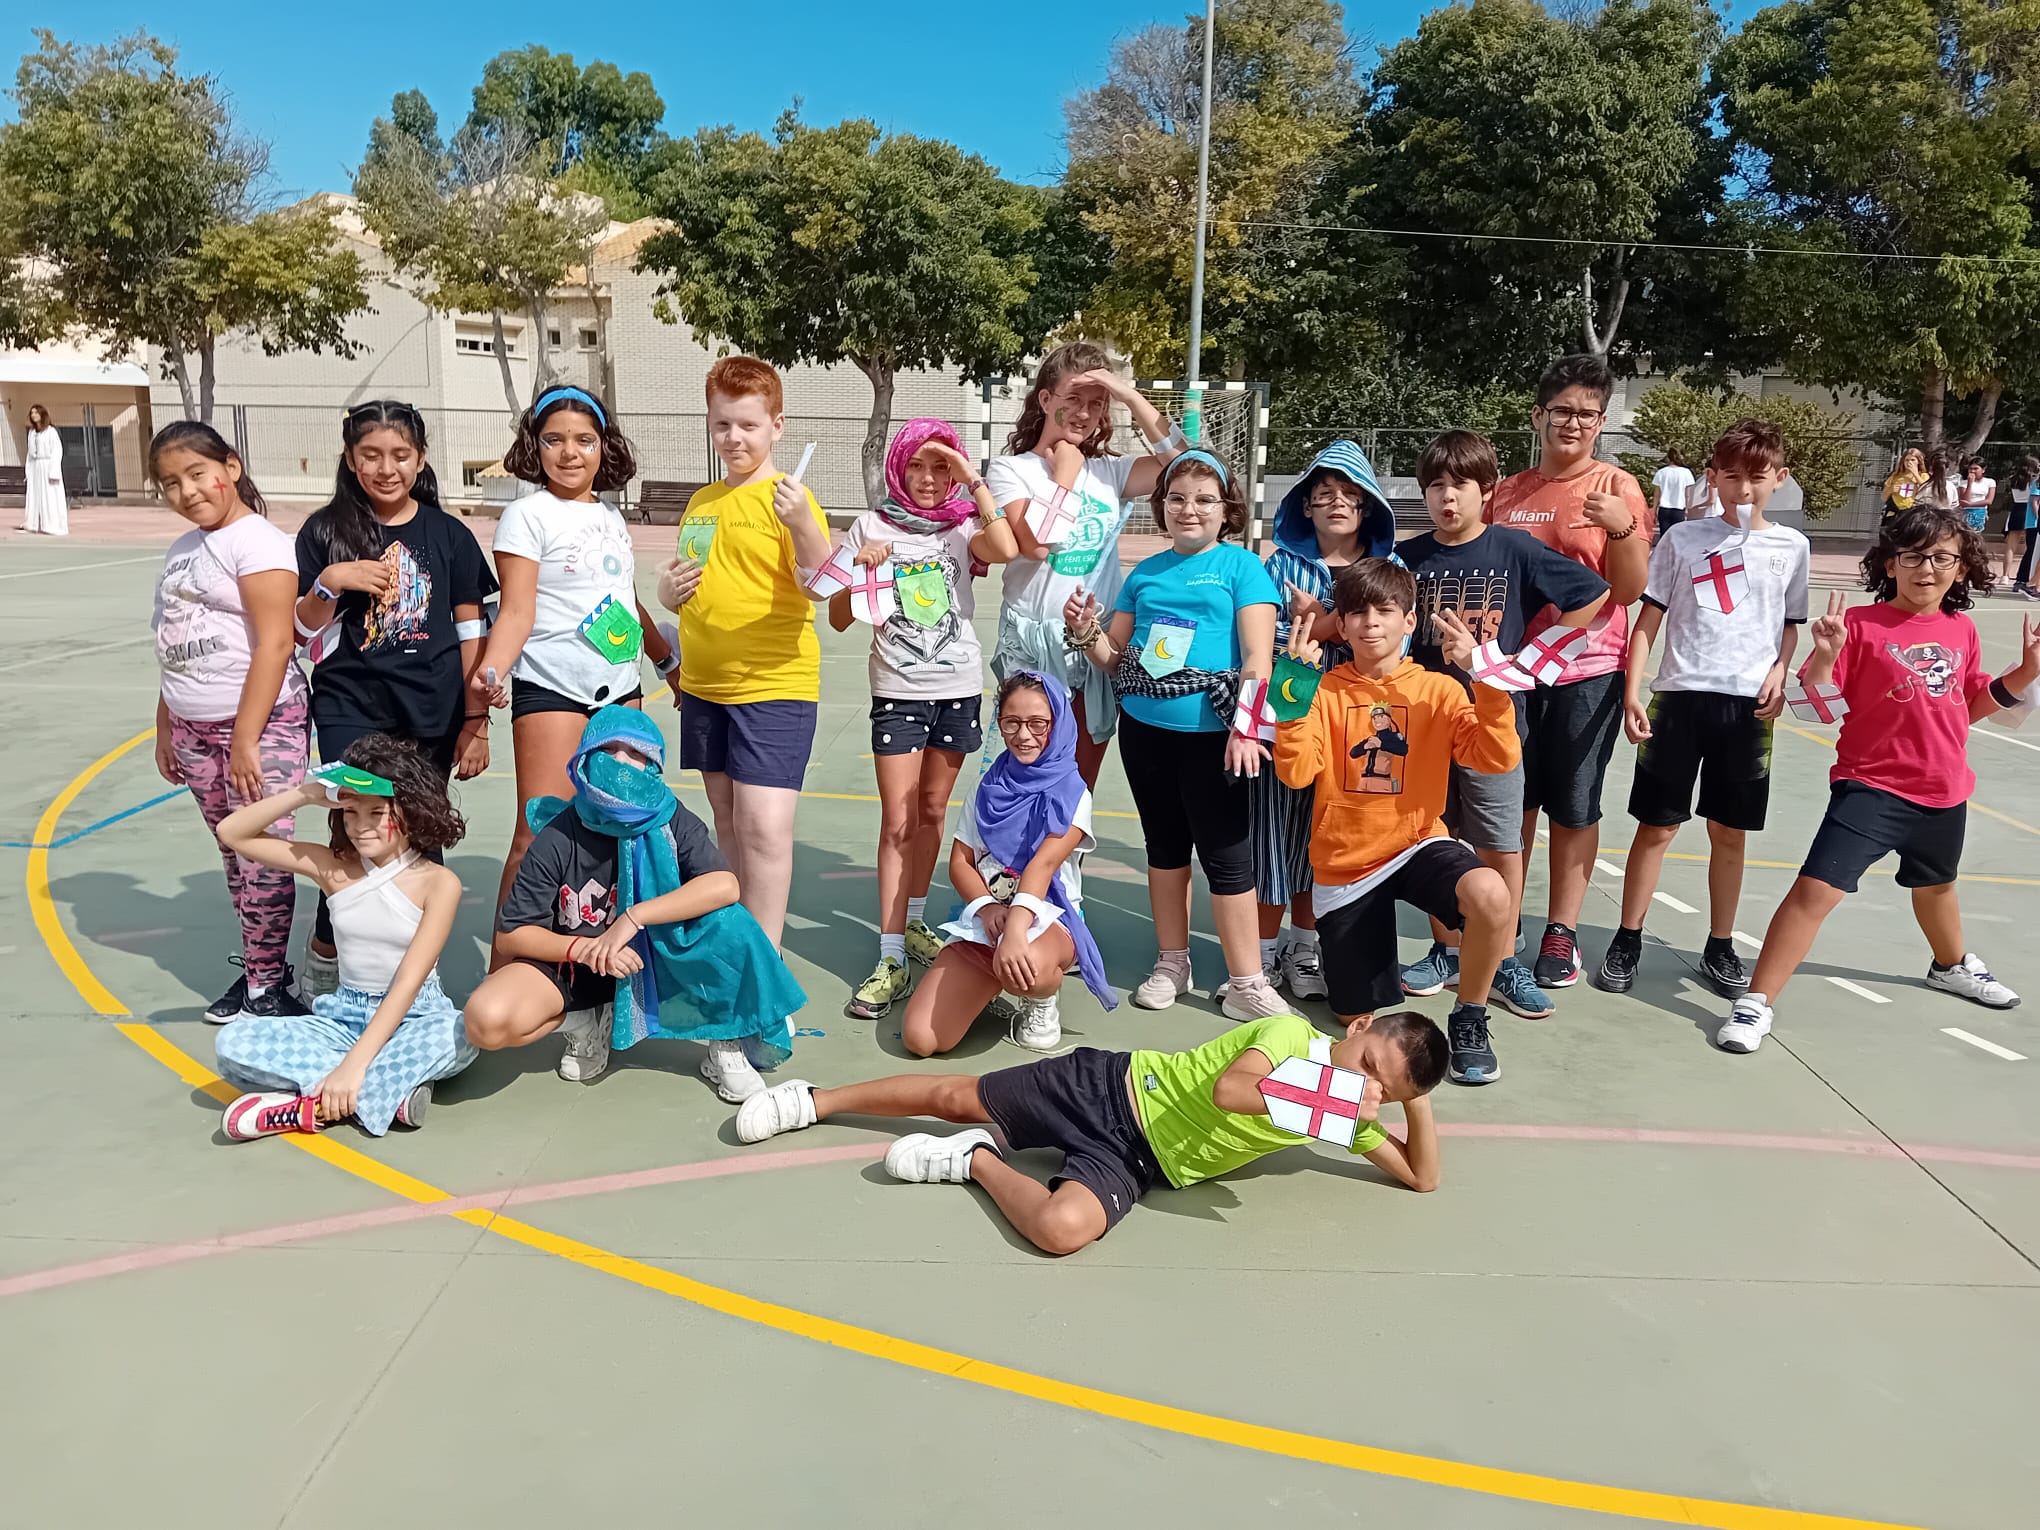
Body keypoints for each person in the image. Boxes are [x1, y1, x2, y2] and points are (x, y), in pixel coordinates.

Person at [729, 1009, 1447, 1255]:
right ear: (1358, 1027)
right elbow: (1232, 1092)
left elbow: (1422, 1176)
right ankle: (816, 1100)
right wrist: (1331, 1100)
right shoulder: (1292, 1037)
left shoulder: (1344, 1111)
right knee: (955, 1096)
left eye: (1385, 1087)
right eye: (1368, 1064)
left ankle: (976, 1162)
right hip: (1110, 1088)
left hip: (1138, 1162)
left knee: (1061, 1231)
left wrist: (1413, 1102)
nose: (1368, 1084)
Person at [1720, 506, 2034, 1054]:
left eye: (1941, 558)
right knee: (1813, 892)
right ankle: (1756, 1001)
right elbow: (1816, 710)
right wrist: (1825, 657)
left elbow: (1966, 707)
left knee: (1936, 886)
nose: (1927, 569)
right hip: (1871, 787)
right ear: (1891, 564)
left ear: (1961, 568)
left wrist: (2029, 670)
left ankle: (1950, 966)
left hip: (1945, 789)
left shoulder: (1961, 628)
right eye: (1913, 557)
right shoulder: (1860, 627)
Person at [462, 706, 806, 1101]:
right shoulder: (559, 834)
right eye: (609, 750)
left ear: (653, 767)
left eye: (636, 753)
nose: (622, 762)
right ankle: (583, 1023)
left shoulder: (670, 818)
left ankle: (724, 1039)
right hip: (577, 967)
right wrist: (588, 949)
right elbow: (512, 935)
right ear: (585, 759)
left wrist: (633, 917)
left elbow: (725, 885)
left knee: (731, 925)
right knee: (485, 1020)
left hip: (654, 960)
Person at [1275, 559, 1520, 1085]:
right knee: (1354, 1015)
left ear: (1409, 621)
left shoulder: (1441, 689)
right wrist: (1290, 688)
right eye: (1357, 613)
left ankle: (1470, 1016)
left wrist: (1485, 678)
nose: (1371, 623)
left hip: (1416, 843)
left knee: (1491, 894)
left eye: (1384, 611)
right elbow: (1295, 773)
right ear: (1341, 626)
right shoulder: (1320, 688)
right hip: (1347, 863)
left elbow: (1496, 757)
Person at [1395, 431, 1608, 1021]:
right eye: (1436, 486)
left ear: (1487, 491)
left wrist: (1527, 661)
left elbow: (1592, 594)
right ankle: (1447, 948)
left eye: (1460, 485)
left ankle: (1504, 956)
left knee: (1499, 843)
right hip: (1426, 727)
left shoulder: (1513, 548)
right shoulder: (1407, 559)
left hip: (1494, 725)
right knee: (1436, 839)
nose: (1447, 497)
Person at [1063, 448, 1284, 1019]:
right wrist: (1086, 631)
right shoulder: (1146, 573)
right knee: (1163, 848)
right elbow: (1115, 658)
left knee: (1227, 855)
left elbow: (1258, 658)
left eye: (1205, 500)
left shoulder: (1243, 569)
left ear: (1227, 509)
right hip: (1146, 733)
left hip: (1217, 737)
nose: (1190, 509)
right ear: (1161, 506)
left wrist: (1245, 730)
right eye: (1178, 498)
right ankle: (1172, 962)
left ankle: (1246, 982)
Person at [1592, 420, 1809, 998]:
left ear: (1780, 479)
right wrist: (1633, 692)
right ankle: (1628, 937)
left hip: (1747, 710)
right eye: (1732, 476)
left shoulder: (1792, 547)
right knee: (1657, 826)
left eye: (1757, 477)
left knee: (1730, 832)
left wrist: (1780, 669)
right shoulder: (1683, 540)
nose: (1744, 488)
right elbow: (1649, 620)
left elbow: (1789, 625)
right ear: (1712, 478)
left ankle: (1720, 942)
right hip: (1679, 700)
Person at [292, 400, 496, 996]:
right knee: (356, 832)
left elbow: (471, 630)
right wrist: (331, 582)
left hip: (431, 711)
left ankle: (416, 977)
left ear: (421, 458)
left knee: (419, 836)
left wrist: (476, 720)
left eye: (400, 455)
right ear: (350, 459)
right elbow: (301, 629)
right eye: (372, 455)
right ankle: (328, 955)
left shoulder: (449, 535)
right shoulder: (324, 532)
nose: (387, 468)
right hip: (350, 707)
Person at [473, 386, 680, 926]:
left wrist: (667, 663)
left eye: (584, 440)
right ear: (534, 447)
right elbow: (516, 611)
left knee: (615, 826)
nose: (570, 452)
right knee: (538, 830)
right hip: (553, 688)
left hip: (622, 691)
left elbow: (625, 604)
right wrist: (491, 671)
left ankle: (599, 960)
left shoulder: (611, 517)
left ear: (603, 446)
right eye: (554, 440)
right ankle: (509, 961)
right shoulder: (526, 515)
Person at [835, 419, 1018, 1019]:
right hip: (898, 692)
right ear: (898, 467)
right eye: (918, 464)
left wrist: (973, 480)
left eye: (942, 466)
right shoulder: (870, 525)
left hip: (958, 687)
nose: (930, 478)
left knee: (934, 810)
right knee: (898, 820)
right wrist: (862, 571)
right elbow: (839, 617)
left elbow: (1006, 547)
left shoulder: (963, 525)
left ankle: (914, 922)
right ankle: (889, 955)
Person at [212, 736, 474, 1139]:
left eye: (376, 812)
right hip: (342, 1018)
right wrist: (305, 794)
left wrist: (352, 1065)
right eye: (351, 811)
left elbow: (409, 981)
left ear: (411, 810)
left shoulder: (439, 883)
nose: (361, 826)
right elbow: (232, 832)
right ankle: (386, 1095)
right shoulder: (331, 867)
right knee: (233, 1042)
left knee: (459, 1035)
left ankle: (309, 1106)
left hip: (415, 1014)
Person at [1486, 353, 1652, 990]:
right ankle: (1504, 924)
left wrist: (1622, 531)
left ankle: (1562, 930)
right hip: (1514, 671)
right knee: (1514, 804)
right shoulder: (1507, 492)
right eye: (1562, 411)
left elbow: (1628, 591)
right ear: (1538, 416)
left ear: (1601, 421)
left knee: (1574, 806)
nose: (1574, 423)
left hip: (1589, 669)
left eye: (1588, 413)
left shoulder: (1617, 488)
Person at [654, 357, 832, 950]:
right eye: (722, 424)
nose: (734, 438)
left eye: (749, 425)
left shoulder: (791, 501)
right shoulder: (703, 502)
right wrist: (666, 593)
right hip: (705, 687)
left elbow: (820, 584)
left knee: (764, 830)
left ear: (777, 426)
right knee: (727, 820)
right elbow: (685, 582)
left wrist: (803, 523)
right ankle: (740, 941)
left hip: (773, 685)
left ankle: (765, 960)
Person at [149, 421, 312, 1022]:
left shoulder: (258, 542)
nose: (187, 491)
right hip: (192, 727)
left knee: (262, 853)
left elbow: (276, 644)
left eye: (197, 474)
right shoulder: (182, 551)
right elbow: (173, 642)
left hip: (258, 726)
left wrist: (246, 740)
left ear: (231, 468)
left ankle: (267, 989)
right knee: (232, 852)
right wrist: (166, 724)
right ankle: (260, 970)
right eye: (171, 483)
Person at [984, 342, 1184, 787]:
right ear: (1045, 399)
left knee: (1079, 783)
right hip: (1034, 649)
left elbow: (1187, 464)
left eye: (1097, 403)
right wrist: (1065, 474)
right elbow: (1036, 544)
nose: (1084, 412)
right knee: (1031, 776)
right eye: (1073, 398)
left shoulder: (1111, 471)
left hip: (1093, 645)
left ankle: (1071, 841)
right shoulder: (1010, 470)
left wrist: (1130, 396)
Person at [1251, 442, 1400, 1006]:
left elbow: (1393, 643)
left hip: (1356, 722)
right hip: (1288, 714)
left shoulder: (1388, 570)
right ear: (1305, 506)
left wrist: (1321, 622)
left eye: (1349, 494)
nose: (1337, 502)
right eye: (1323, 493)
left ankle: (1305, 945)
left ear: (1368, 506)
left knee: (1328, 833)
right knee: (1274, 829)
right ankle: (1263, 950)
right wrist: (1320, 626)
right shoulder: (1279, 566)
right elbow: (1263, 638)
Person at [900, 671, 1116, 1056]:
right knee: (921, 1039)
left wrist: (1014, 930)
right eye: (1011, 722)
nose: (1023, 735)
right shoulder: (988, 785)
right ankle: (984, 988)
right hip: (989, 920)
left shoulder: (1073, 793)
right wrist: (986, 909)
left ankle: (1040, 1000)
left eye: (1038, 723)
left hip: (1046, 918)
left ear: (1058, 724)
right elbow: (961, 862)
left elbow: (1042, 867)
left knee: (1025, 964)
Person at [21, 404, 67, 535]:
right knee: (35, 495)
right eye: (32, 413)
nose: (33, 415)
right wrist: (28, 471)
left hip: (47, 466)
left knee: (50, 496)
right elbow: (30, 454)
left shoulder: (51, 432)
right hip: (36, 467)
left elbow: (57, 451)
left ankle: (52, 524)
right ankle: (34, 523)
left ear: (42, 415)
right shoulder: (32, 433)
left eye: (36, 412)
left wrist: (53, 471)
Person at [2003, 456, 2037, 591]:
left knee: (2010, 546)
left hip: (2016, 509)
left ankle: (2005, 575)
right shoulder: (2034, 480)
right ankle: (2025, 576)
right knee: (2030, 546)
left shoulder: (2014, 479)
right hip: (2028, 510)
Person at [1651, 447, 1694, 540]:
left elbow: (1657, 494)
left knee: (1664, 536)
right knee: (1678, 536)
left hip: (1664, 508)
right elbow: (1687, 494)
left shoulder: (1661, 472)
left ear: (1668, 458)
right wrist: (1687, 508)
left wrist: (1654, 509)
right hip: (1679, 508)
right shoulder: (1686, 472)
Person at [1880, 448, 1928, 528]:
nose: (1909, 462)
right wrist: (1890, 490)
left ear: (1919, 461)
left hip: (1913, 512)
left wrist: (1915, 473)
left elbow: (1927, 489)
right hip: (1896, 512)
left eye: (1913, 460)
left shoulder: (1923, 476)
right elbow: (1883, 497)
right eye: (1907, 460)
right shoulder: (1895, 476)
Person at [1956, 456, 1997, 534]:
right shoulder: (1963, 483)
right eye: (1970, 469)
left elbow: (1989, 501)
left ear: (1983, 470)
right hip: (1966, 513)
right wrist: (1970, 484)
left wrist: (1971, 504)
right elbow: (1964, 501)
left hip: (1980, 512)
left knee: (1977, 535)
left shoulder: (1990, 482)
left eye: (1976, 469)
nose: (1972, 471)